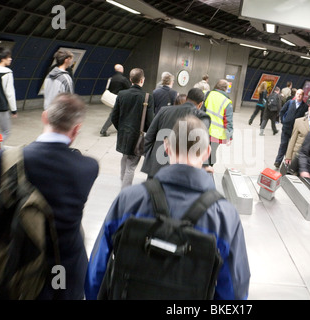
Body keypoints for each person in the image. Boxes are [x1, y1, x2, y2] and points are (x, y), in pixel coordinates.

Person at [85, 115, 251, 300]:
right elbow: (235, 286)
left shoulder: (129, 199)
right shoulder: (225, 215)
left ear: (166, 147)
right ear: (206, 153)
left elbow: (97, 268)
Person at [0, 93, 99, 299]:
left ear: (45, 117)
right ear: (76, 129)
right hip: (63, 270)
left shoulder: (3, 160)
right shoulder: (88, 168)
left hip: (16, 266)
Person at [141, 88, 211, 179]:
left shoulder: (164, 111)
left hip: (156, 167)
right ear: (200, 104)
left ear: (186, 99)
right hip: (181, 172)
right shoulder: (201, 117)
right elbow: (201, 146)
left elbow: (148, 138)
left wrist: (150, 158)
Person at [112, 68, 154, 189]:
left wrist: (121, 129)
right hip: (137, 136)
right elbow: (150, 121)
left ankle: (123, 182)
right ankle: (125, 192)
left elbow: (114, 116)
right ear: (142, 80)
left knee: (124, 158)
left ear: (130, 79)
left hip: (124, 134)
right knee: (131, 165)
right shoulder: (147, 97)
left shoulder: (121, 94)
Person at [284, 101, 310, 172]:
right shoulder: (299, 121)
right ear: (309, 109)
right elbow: (293, 139)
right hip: (296, 155)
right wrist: (288, 156)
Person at [274, 88, 308, 168]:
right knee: (283, 145)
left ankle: (287, 163)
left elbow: (304, 118)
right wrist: (283, 121)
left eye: (300, 94)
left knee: (291, 146)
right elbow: (282, 111)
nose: (298, 96)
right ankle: (278, 161)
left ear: (303, 96)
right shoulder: (290, 102)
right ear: (295, 95)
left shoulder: (305, 107)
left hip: (295, 130)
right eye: (297, 94)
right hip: (286, 128)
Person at [204, 79, 233, 166]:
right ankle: (209, 171)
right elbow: (228, 120)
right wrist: (229, 136)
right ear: (225, 89)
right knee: (212, 154)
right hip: (216, 135)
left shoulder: (207, 94)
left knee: (202, 151)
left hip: (203, 129)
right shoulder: (227, 101)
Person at [99, 64, 131, 137]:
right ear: (121, 69)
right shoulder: (123, 79)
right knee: (113, 115)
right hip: (120, 99)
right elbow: (129, 89)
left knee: (120, 114)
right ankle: (103, 130)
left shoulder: (111, 78)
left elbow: (108, 89)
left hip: (112, 98)